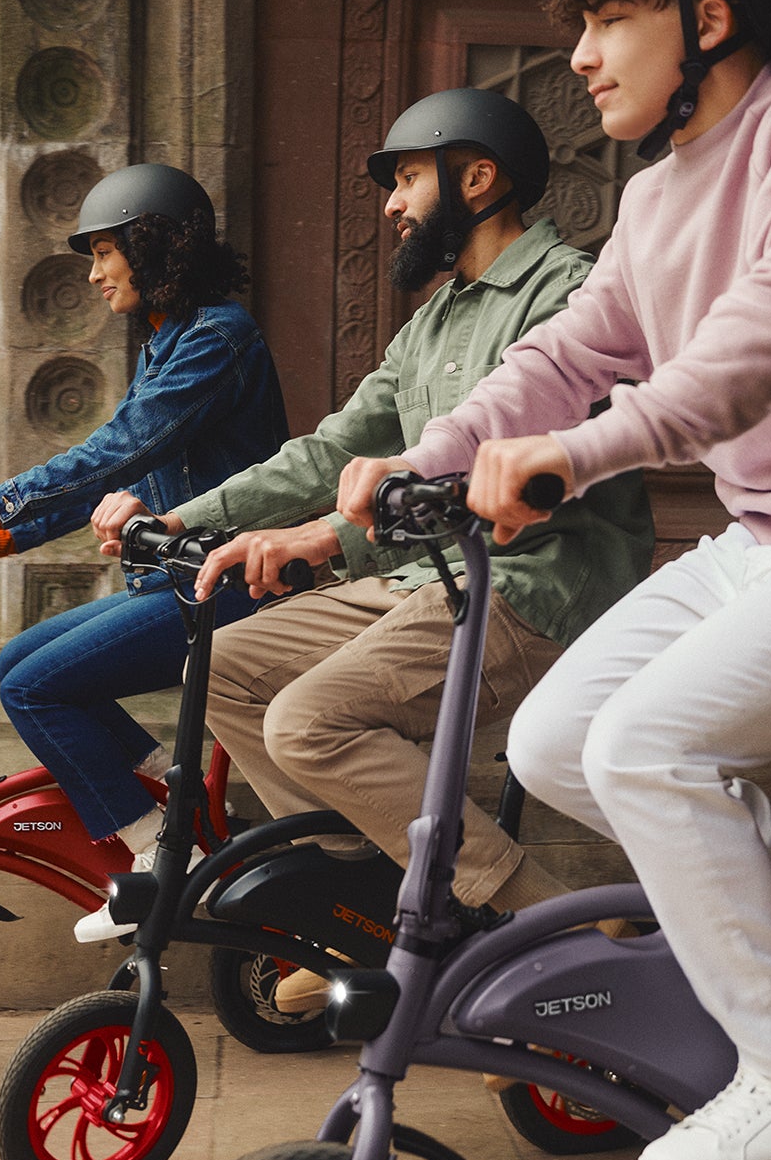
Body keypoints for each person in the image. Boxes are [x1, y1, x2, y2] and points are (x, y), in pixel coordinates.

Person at [338, 0, 771, 1160]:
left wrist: (588, 450)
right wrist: (430, 456)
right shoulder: (653, 198)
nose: (582, 55)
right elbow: (565, 355)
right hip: (763, 538)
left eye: (608, 18)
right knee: (554, 744)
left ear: (708, 16)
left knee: (647, 746)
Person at [102, 89, 655, 1010]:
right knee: (229, 658)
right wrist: (193, 517)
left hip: (530, 584)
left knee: (307, 723)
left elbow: (502, 478)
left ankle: (541, 925)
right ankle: (362, 906)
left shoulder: (568, 291)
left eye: (405, 179)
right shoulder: (433, 322)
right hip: (418, 579)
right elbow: (331, 449)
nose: (391, 204)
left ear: (477, 179)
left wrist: (328, 535)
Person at [0, 164, 288, 942]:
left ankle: (158, 852)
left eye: (105, 252)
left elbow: (118, 450)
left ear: (152, 249)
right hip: (176, 582)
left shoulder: (217, 336)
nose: (92, 273)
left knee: (40, 689)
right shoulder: (170, 343)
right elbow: (123, 472)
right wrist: (5, 534)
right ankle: (165, 796)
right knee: (19, 663)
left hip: (221, 586)